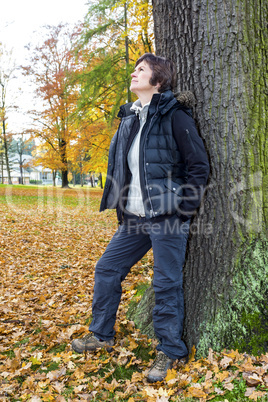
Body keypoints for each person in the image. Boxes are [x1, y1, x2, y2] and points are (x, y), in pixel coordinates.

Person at [72, 53, 210, 383]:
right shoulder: (131, 118)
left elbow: (199, 167)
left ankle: (171, 350)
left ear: (158, 81)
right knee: (107, 268)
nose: (133, 74)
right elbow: (124, 171)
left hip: (166, 218)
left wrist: (182, 210)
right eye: (134, 69)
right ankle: (101, 335)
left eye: (141, 70)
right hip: (134, 219)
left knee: (166, 284)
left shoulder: (175, 117)